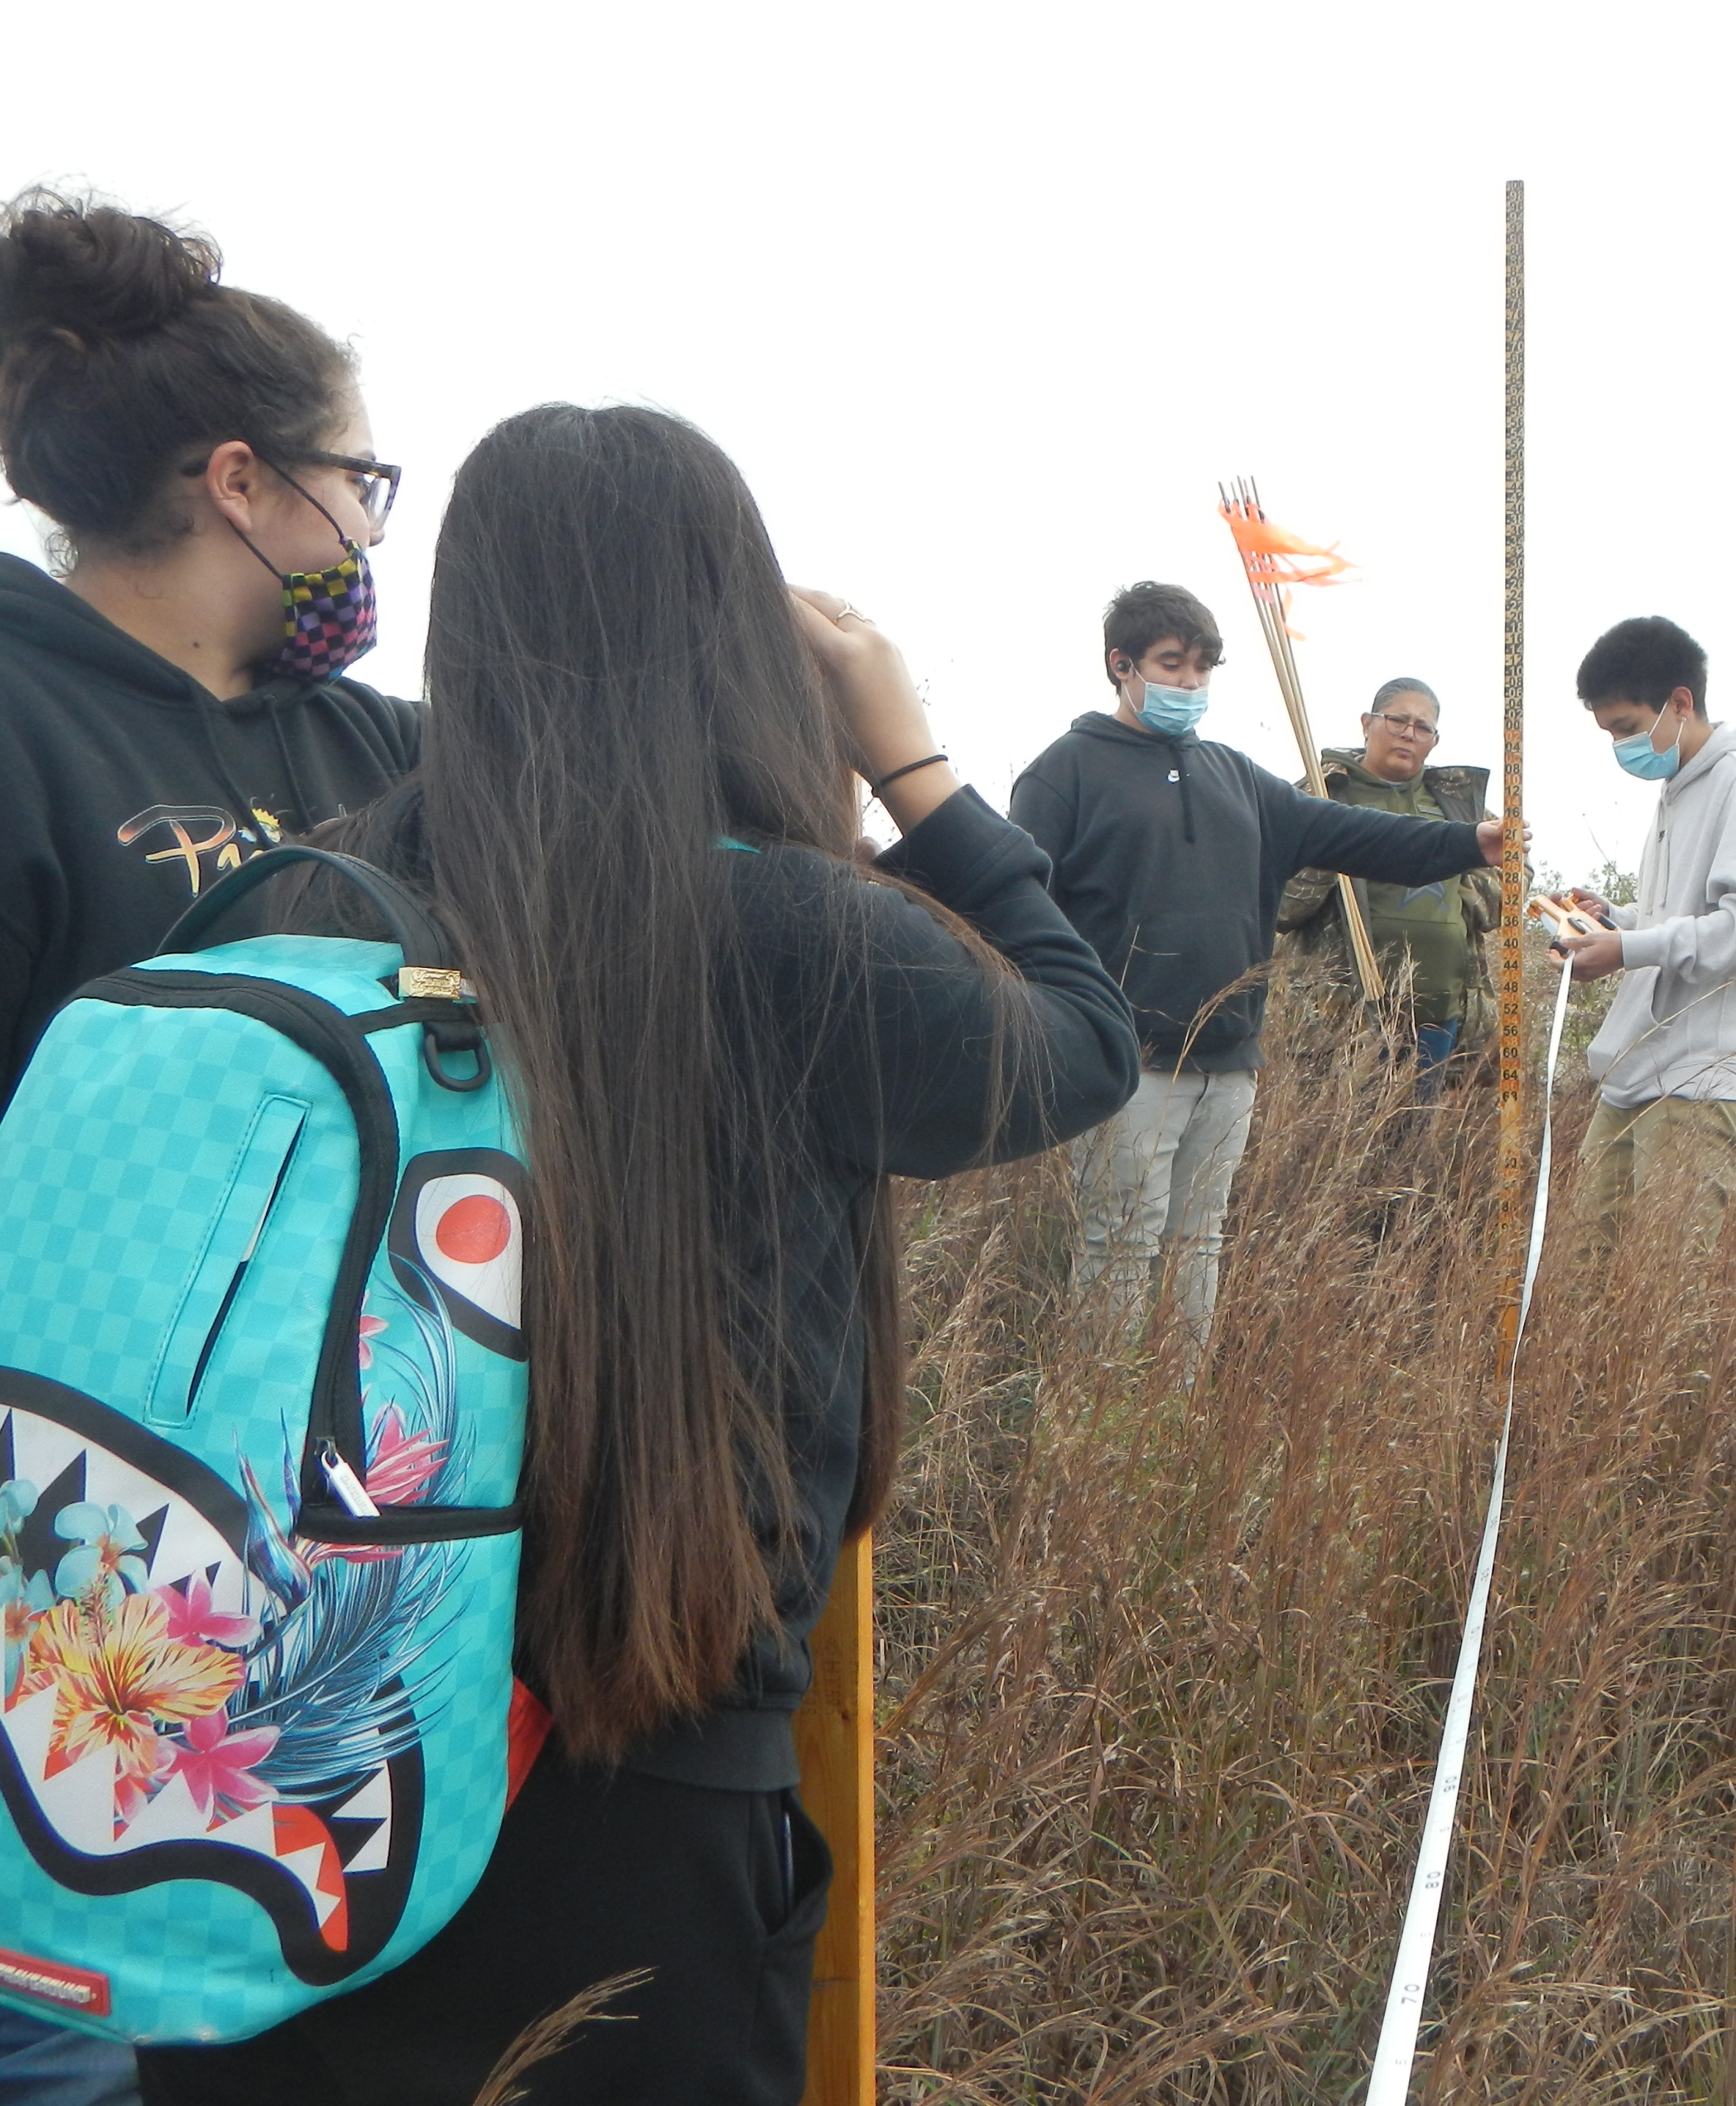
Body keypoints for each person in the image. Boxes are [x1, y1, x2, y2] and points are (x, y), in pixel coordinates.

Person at [136, 405, 1138, 2104]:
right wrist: (913, 764)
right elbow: (1080, 1039)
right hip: (649, 1774)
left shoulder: (304, 907)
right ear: (744, 647)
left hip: (264, 1755)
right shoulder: (797, 930)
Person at [0, 190, 424, 2106]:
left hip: (361, 1546)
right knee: (53, 2055)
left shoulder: (376, 755)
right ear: (245, 481)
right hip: (49, 1571)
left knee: (307, 2036)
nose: (366, 527)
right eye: (360, 477)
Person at [1009, 584, 1512, 1343]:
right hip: (1126, 1060)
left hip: (1231, 1061)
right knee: (1118, 1245)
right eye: (1170, 665)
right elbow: (1020, 904)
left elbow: (1356, 834)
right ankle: (1101, 1422)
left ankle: (1172, 1418)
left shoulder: (1237, 778)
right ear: (1121, 665)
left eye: (1202, 668)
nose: (1189, 684)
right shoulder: (1065, 773)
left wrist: (1467, 844)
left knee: (1197, 1247)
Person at [1551, 616, 1736, 1258]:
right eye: (1609, 733)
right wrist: (1616, 920)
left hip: (1703, 1077)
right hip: (1639, 1066)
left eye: (1627, 727)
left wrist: (1627, 950)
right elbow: (1677, 914)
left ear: (1679, 703)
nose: (1620, 747)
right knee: (1591, 1274)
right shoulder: (1678, 787)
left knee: (1663, 1287)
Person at [1276, 677, 1503, 1094]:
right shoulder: (1319, 795)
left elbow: (1509, 883)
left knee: (1411, 1147)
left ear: (1434, 741)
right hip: (1341, 1015)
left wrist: (1460, 896)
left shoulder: (1458, 805)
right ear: (1367, 723)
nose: (1408, 734)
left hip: (1439, 1014)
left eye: (1422, 727)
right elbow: (1281, 907)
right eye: (1397, 720)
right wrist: (1332, 846)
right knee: (1336, 1148)